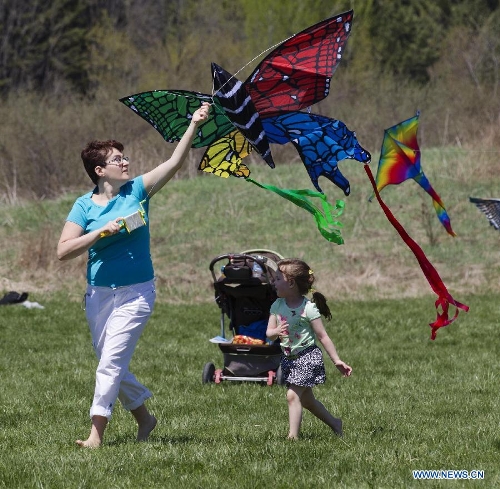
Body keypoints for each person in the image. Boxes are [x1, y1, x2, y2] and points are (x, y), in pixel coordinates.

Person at [57, 102, 211, 447]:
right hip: (98, 294)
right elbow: (63, 251)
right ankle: (145, 418)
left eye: (124, 158)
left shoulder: (138, 191)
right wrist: (100, 232)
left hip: (136, 293)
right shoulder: (83, 206)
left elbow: (173, 163)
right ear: (100, 170)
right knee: (111, 362)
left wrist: (194, 124)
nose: (125, 162)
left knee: (109, 363)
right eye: (117, 159)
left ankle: (96, 434)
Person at [266, 258, 352, 440]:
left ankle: (293, 437)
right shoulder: (276, 306)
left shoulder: (308, 308)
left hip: (307, 357)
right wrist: (276, 331)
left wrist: (336, 360)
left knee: (292, 396)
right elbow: (269, 334)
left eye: (277, 279)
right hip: (289, 359)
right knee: (307, 401)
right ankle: (335, 423)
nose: (273, 282)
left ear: (290, 283)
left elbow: (323, 336)